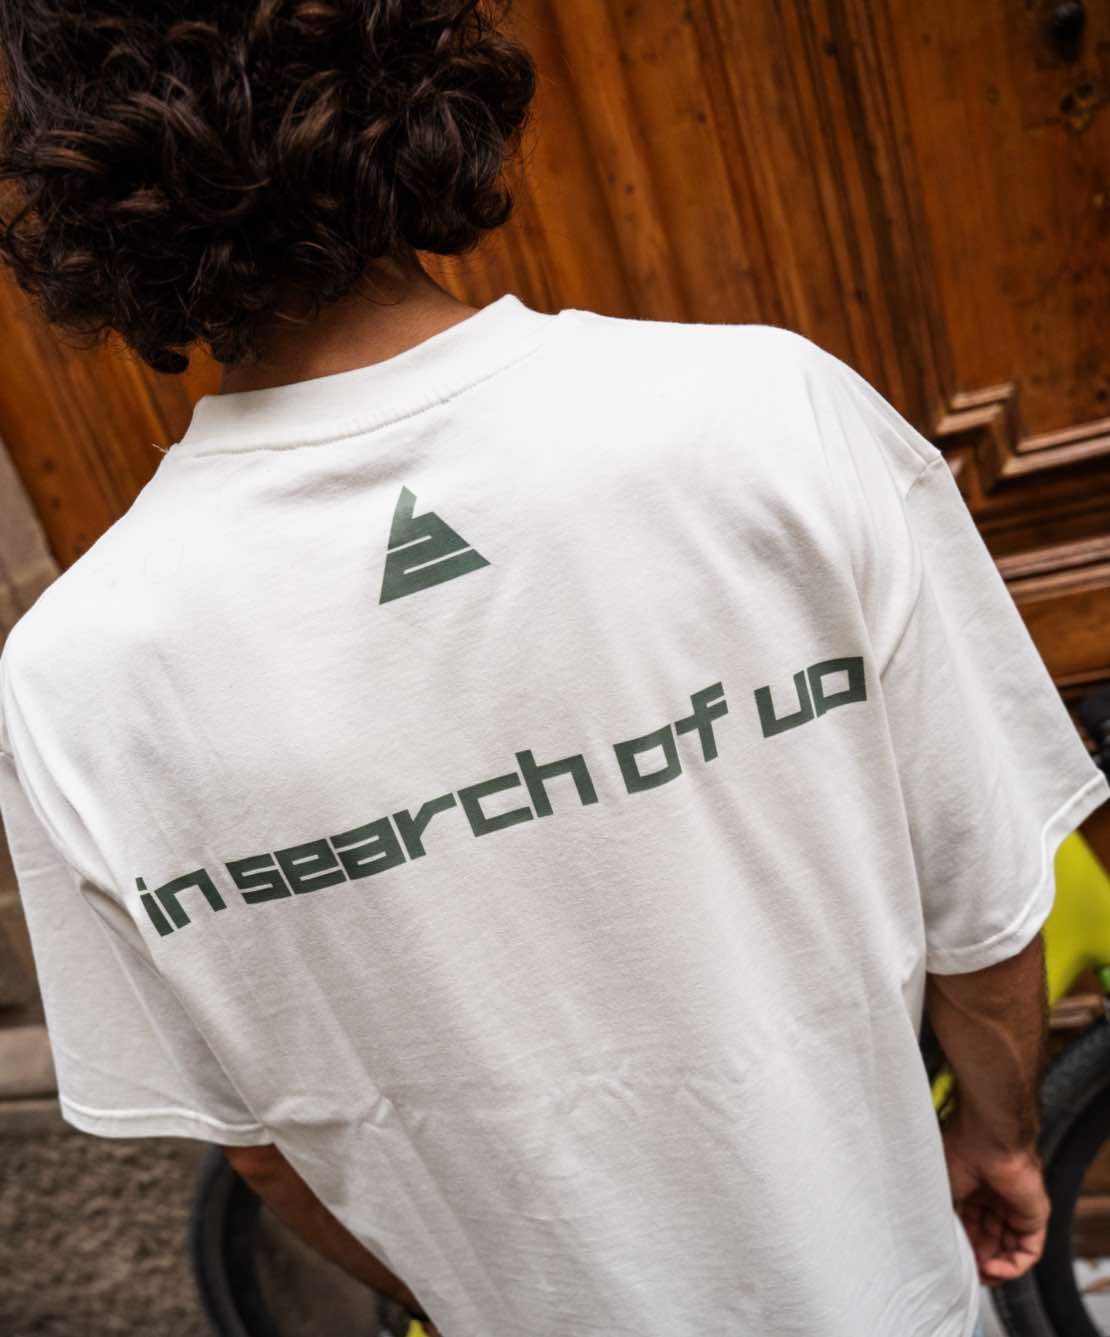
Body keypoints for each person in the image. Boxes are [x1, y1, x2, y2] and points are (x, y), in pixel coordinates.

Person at [0, 3, 1103, 1335]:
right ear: (419, 76)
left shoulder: (73, 674)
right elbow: (987, 913)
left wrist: (474, 1294)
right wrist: (998, 1137)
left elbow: (264, 1157)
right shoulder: (769, 419)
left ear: (81, 189)